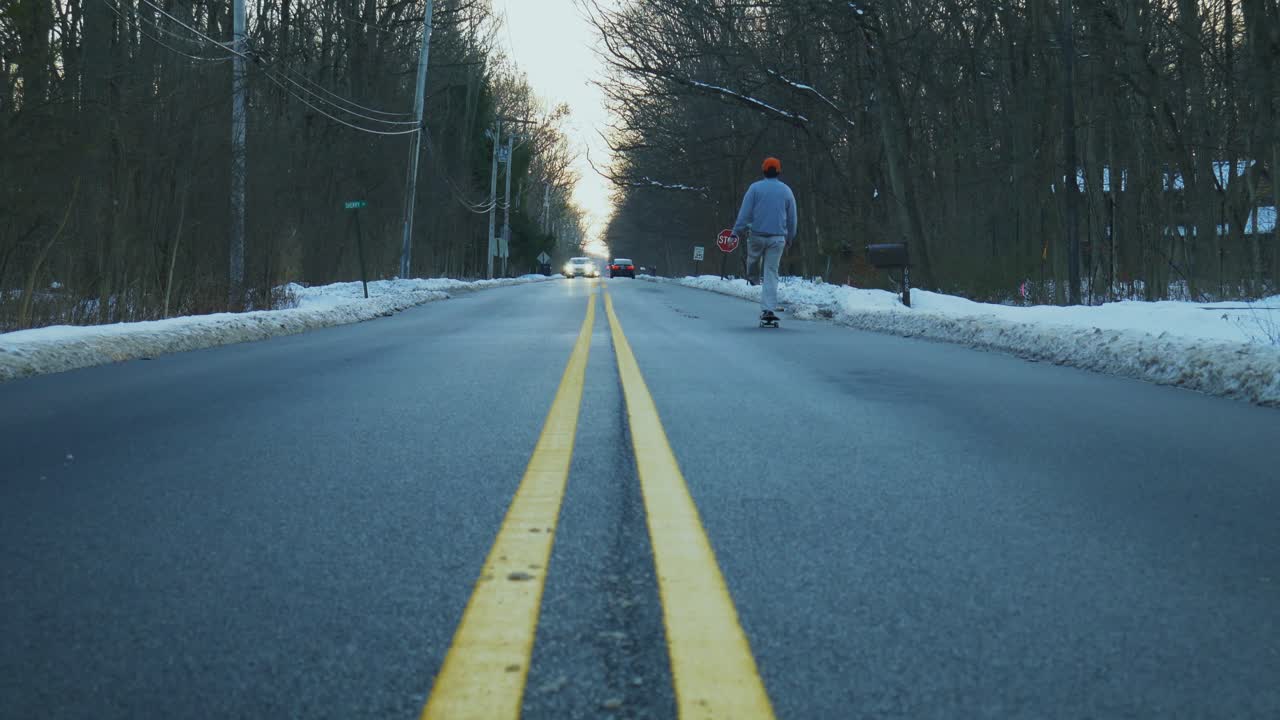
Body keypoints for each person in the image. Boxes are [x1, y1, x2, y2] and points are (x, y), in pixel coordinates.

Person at [733, 157, 798, 322]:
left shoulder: (754, 189)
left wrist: (736, 231)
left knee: (752, 262)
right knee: (771, 273)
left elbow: (745, 212)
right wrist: (790, 237)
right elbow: (792, 218)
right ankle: (768, 309)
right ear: (779, 171)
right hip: (778, 238)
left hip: (756, 235)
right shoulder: (786, 191)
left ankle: (753, 277)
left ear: (763, 171)